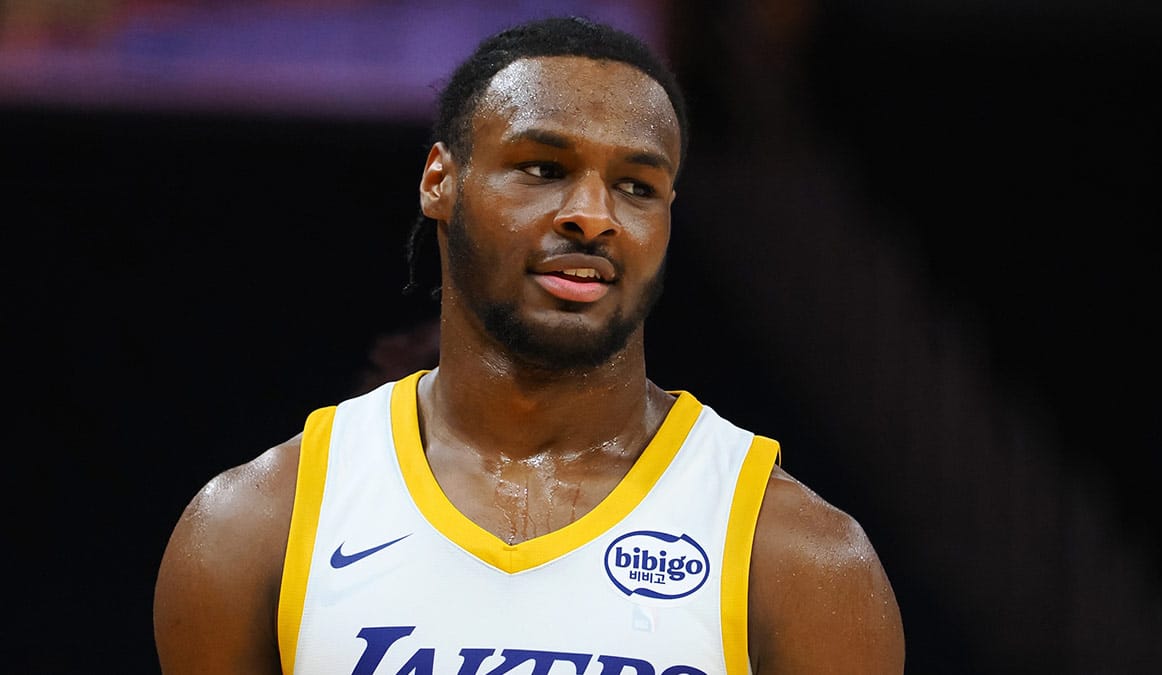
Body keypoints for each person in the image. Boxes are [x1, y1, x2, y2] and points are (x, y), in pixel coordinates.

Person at [152, 16, 905, 675]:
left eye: (637, 186)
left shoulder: (799, 557)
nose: (592, 215)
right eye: (544, 169)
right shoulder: (258, 528)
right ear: (440, 181)